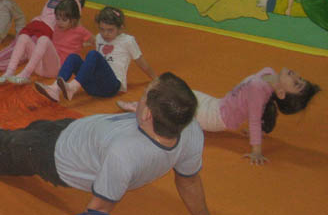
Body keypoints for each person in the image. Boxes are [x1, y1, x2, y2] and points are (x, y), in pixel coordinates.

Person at [0, 73, 243, 215]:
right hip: (74, 132)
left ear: (147, 115)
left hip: (54, 156)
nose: (139, 97)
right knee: (30, 130)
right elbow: (189, 180)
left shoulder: (124, 155)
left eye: (144, 96)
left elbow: (99, 210)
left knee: (10, 153)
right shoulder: (189, 130)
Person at [117, 67, 320, 164]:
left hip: (215, 118)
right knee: (180, 91)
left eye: (296, 83)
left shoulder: (260, 89)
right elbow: (259, 108)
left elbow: (254, 118)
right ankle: (145, 102)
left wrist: (256, 150)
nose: (295, 75)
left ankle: (139, 108)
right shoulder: (267, 72)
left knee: (174, 103)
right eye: (299, 77)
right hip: (217, 103)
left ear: (282, 93)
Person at [35, 6, 155, 101]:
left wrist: (155, 78)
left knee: (93, 55)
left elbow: (141, 62)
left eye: (110, 30)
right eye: (102, 29)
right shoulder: (99, 37)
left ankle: (73, 87)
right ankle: (55, 89)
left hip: (111, 86)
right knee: (73, 57)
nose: (105, 34)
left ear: (121, 28)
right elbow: (92, 64)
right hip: (93, 86)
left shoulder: (128, 40)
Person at [0, 0, 90, 85]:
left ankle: (25, 74)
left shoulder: (78, 28)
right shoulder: (57, 25)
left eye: (64, 19)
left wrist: (87, 42)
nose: (59, 22)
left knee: (44, 39)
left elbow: (89, 36)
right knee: (23, 37)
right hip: (40, 67)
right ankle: (9, 72)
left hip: (55, 69)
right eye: (58, 18)